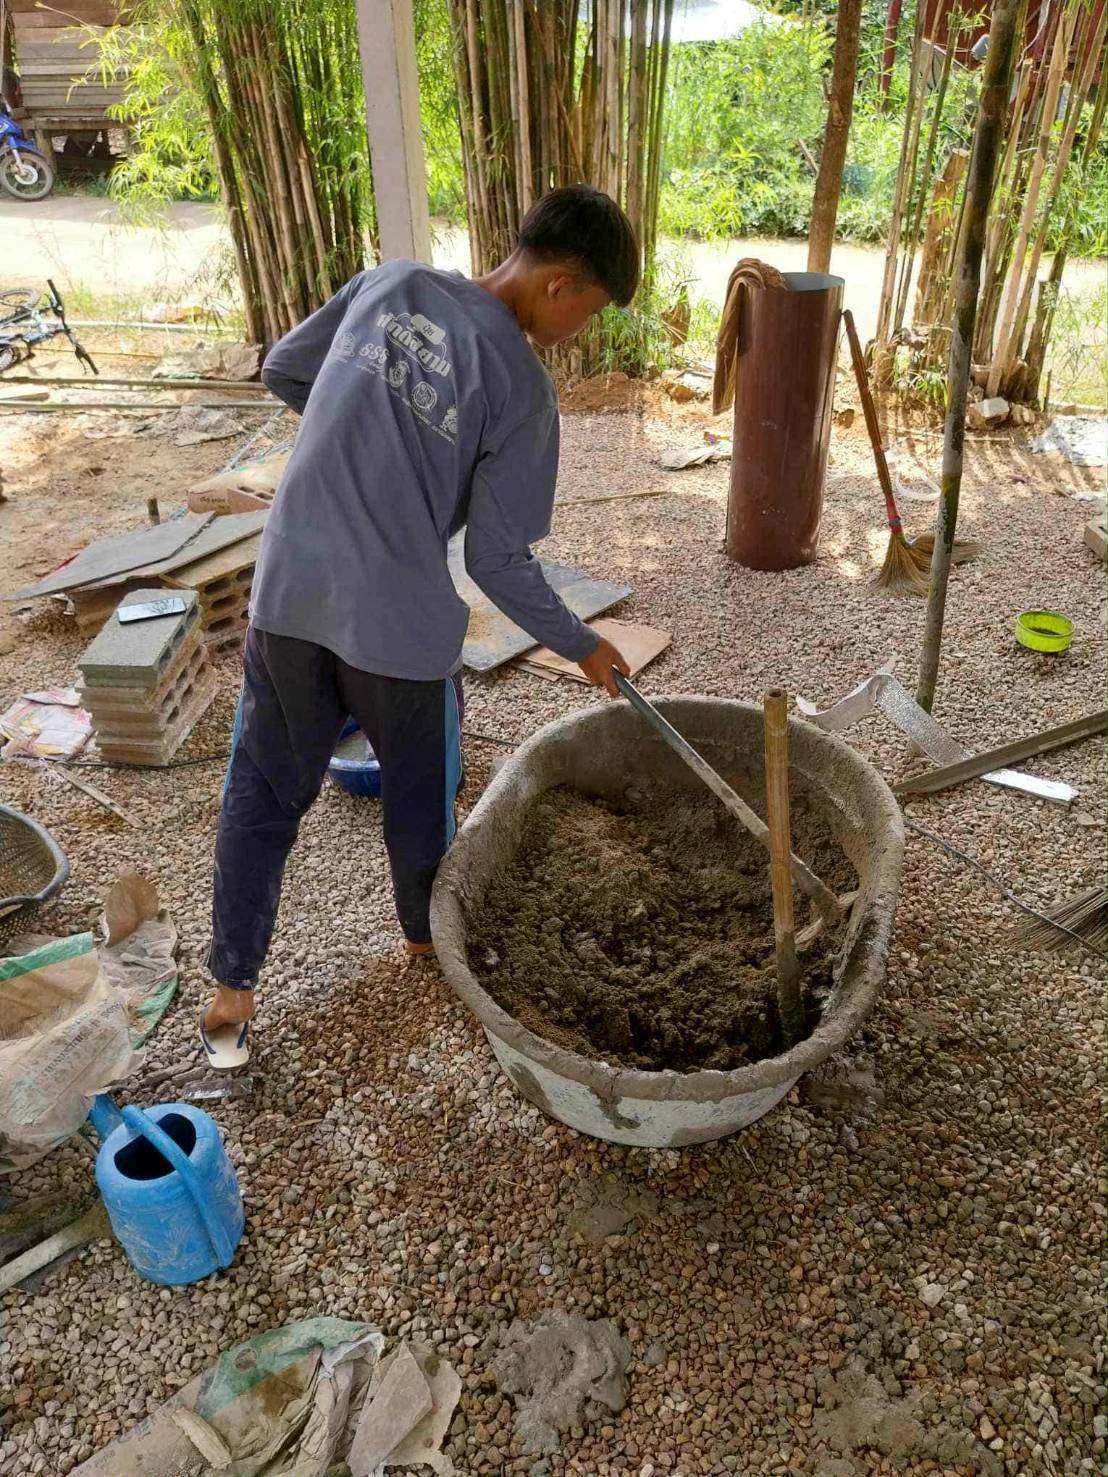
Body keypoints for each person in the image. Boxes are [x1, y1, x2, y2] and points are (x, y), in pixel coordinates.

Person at [199, 184, 635, 1067]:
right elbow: (498, 563)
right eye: (586, 312)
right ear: (559, 285)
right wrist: (584, 644)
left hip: (288, 593)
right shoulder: (521, 389)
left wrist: (361, 441)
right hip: (399, 630)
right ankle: (424, 943)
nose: (577, 332)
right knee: (421, 788)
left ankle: (231, 994)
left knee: (264, 788)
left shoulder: (388, 282)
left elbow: (286, 367)